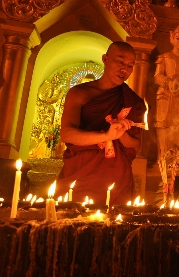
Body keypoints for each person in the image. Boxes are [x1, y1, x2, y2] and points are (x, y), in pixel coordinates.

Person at [56, 42, 146, 205]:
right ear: (105, 59)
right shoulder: (80, 93)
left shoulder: (133, 101)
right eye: (120, 62)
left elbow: (136, 145)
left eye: (130, 66)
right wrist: (106, 135)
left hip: (117, 177)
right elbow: (67, 134)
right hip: (82, 172)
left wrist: (120, 134)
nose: (124, 70)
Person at [154, 15, 179, 171]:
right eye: (178, 38)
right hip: (165, 95)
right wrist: (168, 82)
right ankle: (163, 156)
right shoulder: (164, 57)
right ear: (172, 37)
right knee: (163, 125)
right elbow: (157, 76)